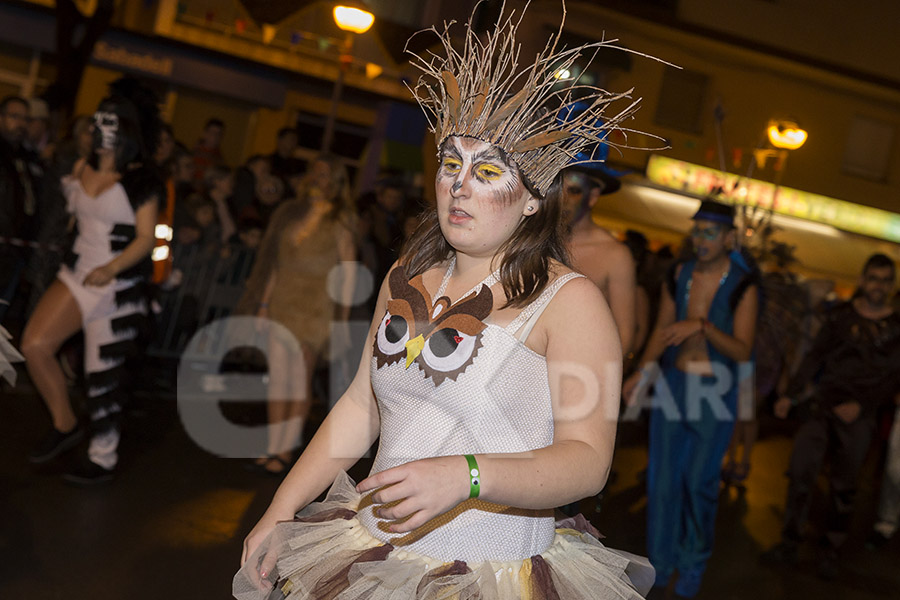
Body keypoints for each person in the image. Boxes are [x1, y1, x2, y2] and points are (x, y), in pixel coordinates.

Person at [233, 4, 657, 598]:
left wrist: (469, 476)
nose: (458, 186)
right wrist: (281, 509)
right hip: (367, 554)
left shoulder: (570, 302)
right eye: (450, 165)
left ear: (533, 199)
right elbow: (360, 408)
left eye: (487, 173)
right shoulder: (407, 275)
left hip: (488, 574)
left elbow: (587, 461)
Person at [20, 77, 164, 484]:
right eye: (96, 122)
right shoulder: (80, 167)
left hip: (117, 289)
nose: (98, 129)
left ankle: (103, 457)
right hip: (77, 274)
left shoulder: (140, 180)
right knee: (34, 344)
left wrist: (113, 267)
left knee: (102, 374)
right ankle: (66, 426)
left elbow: (146, 238)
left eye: (109, 122)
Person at [623, 199, 758, 598]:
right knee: (662, 481)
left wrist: (701, 326)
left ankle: (693, 564)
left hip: (716, 392)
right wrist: (642, 373)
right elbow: (663, 330)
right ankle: (661, 564)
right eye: (696, 230)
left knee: (698, 482)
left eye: (710, 231)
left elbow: (742, 351)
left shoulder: (742, 286)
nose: (700, 238)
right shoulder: (678, 274)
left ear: (729, 238)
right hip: (674, 385)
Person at [762, 253, 900, 579]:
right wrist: (791, 394)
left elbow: (894, 376)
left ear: (892, 285)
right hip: (823, 407)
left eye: (885, 280)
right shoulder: (840, 316)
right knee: (800, 472)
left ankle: (830, 551)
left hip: (861, 415)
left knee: (845, 487)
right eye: (873, 278)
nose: (878, 285)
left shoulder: (897, 330)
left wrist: (863, 406)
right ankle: (789, 542)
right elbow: (814, 357)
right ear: (863, 280)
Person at [235, 154, 358, 476]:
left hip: (316, 309)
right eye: (314, 172)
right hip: (282, 303)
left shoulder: (341, 220)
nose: (318, 178)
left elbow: (347, 274)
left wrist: (341, 321)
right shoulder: (291, 214)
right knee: (277, 379)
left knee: (298, 381)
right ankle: (272, 443)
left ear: (336, 181)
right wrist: (262, 306)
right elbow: (275, 264)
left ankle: (286, 448)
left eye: (325, 173)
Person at [562, 166, 635, 354]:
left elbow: (624, 334)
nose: (562, 200)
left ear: (593, 196)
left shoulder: (615, 255)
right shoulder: (533, 239)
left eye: (574, 191)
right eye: (557, 188)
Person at [0, 95, 41, 323]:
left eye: (26, 119)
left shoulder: (27, 158)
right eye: (14, 117)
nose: (21, 124)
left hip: (14, 256)